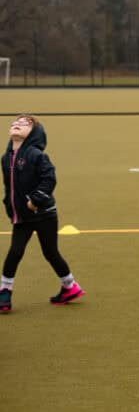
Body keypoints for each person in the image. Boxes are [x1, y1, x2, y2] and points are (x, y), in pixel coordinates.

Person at [0, 114, 84, 313]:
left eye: (25, 123)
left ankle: (69, 286)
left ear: (34, 133)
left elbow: (49, 178)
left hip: (43, 213)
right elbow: (8, 187)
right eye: (15, 122)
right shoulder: (6, 158)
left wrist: (35, 200)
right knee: (16, 251)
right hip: (22, 216)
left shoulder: (36, 155)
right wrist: (9, 205)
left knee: (50, 252)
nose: (17, 124)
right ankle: (5, 291)